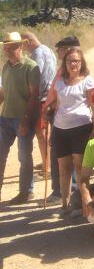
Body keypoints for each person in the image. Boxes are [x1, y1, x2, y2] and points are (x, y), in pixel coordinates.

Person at [44, 47, 94, 213]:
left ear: (82, 63)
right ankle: (65, 205)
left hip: (81, 127)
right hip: (61, 128)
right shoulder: (59, 83)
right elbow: (59, 105)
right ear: (64, 64)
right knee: (63, 167)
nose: (73, 64)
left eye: (76, 61)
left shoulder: (88, 81)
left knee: (80, 167)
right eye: (69, 61)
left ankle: (83, 204)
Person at [0, 31, 40, 204]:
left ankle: (26, 192)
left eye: (11, 47)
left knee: (24, 156)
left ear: (20, 47)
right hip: (5, 118)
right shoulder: (6, 66)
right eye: (5, 47)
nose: (7, 50)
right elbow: (4, 93)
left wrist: (25, 119)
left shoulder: (31, 67)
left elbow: (34, 95)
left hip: (22, 119)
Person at [21, 31, 57, 195]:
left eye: (22, 44)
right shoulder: (48, 50)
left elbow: (38, 77)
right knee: (45, 132)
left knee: (41, 133)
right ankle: (47, 162)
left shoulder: (37, 54)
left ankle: (47, 166)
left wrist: (32, 98)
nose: (23, 48)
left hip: (42, 97)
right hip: (50, 95)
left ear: (27, 41)